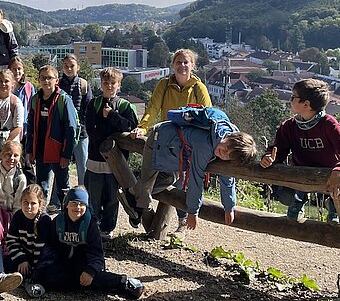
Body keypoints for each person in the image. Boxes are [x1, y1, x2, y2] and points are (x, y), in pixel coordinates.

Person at [127, 108, 257, 232]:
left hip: (173, 149)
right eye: (227, 147)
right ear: (230, 136)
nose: (224, 152)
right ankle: (138, 207)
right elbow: (196, 179)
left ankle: (133, 193)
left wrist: (229, 207)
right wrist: (193, 212)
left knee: (170, 179)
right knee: (147, 183)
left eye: (228, 155)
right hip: (159, 138)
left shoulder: (230, 134)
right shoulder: (205, 145)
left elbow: (227, 177)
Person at [129, 48, 211, 231]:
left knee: (179, 181)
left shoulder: (198, 88)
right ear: (173, 65)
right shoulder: (164, 85)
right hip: (166, 140)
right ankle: (141, 204)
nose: (182, 65)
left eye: (186, 62)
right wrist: (143, 127)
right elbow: (153, 108)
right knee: (155, 176)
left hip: (187, 142)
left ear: (192, 65)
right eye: (178, 62)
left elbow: (208, 115)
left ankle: (137, 199)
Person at [259, 78, 340, 224]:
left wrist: (338, 171)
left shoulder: (329, 124)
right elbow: (277, 150)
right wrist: (269, 157)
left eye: (293, 97)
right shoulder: (289, 126)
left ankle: (334, 206)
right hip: (300, 175)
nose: (290, 100)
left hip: (329, 177)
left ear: (306, 104)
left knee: (335, 220)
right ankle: (297, 201)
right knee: (287, 199)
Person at [33, 186, 145, 300]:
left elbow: (97, 254)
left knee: (93, 277)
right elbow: (50, 247)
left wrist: (90, 270)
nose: (77, 207)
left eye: (81, 204)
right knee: (49, 277)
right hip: (63, 263)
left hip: (83, 264)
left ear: (86, 206)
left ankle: (124, 283)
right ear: (66, 204)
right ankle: (82, 285)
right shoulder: (58, 222)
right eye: (74, 203)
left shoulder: (90, 225)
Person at [84, 68, 138, 239]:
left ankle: (107, 228)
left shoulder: (125, 106)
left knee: (112, 198)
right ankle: (94, 226)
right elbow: (91, 129)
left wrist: (112, 115)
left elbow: (129, 126)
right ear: (101, 84)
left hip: (116, 161)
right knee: (94, 197)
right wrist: (110, 131)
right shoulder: (93, 104)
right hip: (95, 159)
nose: (109, 86)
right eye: (105, 83)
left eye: (113, 83)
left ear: (119, 85)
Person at [25, 65, 78, 213]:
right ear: (39, 80)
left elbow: (71, 129)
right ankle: (41, 216)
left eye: (49, 78)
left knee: (63, 188)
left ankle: (66, 217)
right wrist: (29, 150)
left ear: (56, 80)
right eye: (43, 78)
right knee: (41, 186)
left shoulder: (64, 100)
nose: (46, 81)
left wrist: (66, 154)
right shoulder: (36, 99)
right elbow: (30, 127)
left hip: (58, 151)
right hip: (41, 150)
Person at [4, 184, 50, 297]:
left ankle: (31, 279)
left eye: (33, 203)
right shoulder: (18, 216)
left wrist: (32, 269)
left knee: (49, 274)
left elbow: (41, 249)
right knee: (6, 262)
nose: (28, 206)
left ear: (40, 204)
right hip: (23, 256)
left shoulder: (44, 220)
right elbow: (11, 240)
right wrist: (21, 259)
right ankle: (17, 278)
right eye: (25, 202)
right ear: (21, 202)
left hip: (40, 259)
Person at [59, 54, 92, 185]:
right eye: (66, 66)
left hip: (81, 132)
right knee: (60, 167)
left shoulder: (83, 84)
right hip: (61, 132)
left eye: (72, 66)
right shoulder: (57, 84)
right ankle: (59, 194)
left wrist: (82, 126)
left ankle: (83, 193)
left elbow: (88, 109)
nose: (69, 69)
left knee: (82, 166)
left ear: (78, 67)